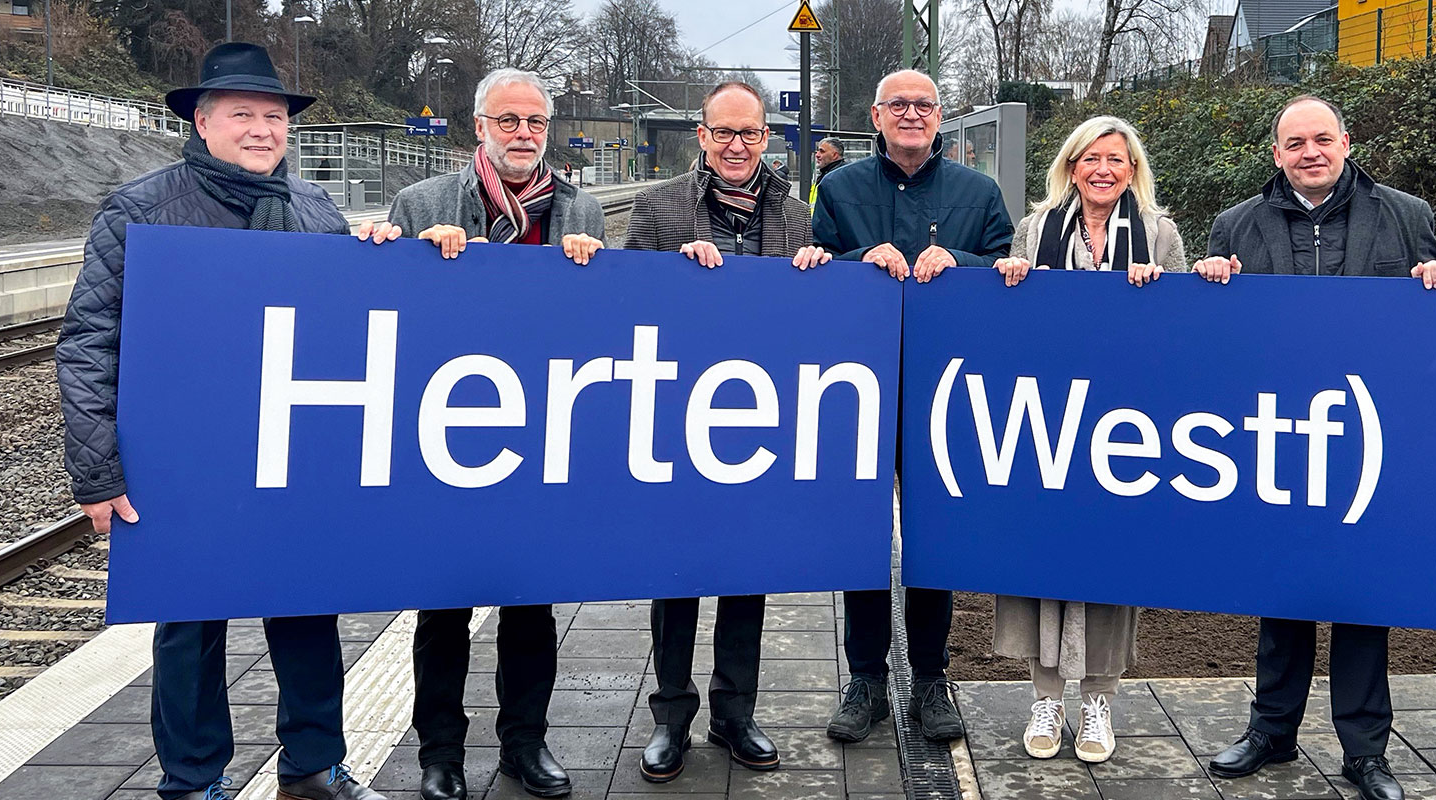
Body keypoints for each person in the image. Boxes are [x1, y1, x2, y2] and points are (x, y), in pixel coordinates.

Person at [55, 42, 387, 800]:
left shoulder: (316, 211)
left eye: (275, 116)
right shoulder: (141, 209)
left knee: (306, 603)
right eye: (243, 114)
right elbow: (87, 343)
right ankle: (194, 778)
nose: (263, 129)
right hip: (185, 457)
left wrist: (377, 253)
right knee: (189, 626)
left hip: (292, 446)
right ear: (202, 122)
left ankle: (314, 764)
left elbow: (348, 325)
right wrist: (98, 472)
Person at [1194, 95, 1436, 800]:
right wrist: (1208, 284)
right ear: (1276, 154)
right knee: (1280, 592)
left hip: (1370, 436)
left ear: (1346, 142)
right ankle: (1270, 732)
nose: (1310, 152)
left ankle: (1366, 750)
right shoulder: (1236, 225)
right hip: (1277, 437)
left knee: (1361, 598)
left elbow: (1433, 332)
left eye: (1322, 139)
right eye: (1295, 143)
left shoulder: (1407, 216)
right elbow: (1217, 342)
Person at [356, 68, 605, 800]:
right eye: (509, 121)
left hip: (538, 434)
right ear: (479, 127)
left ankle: (525, 744)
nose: (524, 134)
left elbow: (597, 327)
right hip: (450, 430)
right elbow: (386, 315)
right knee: (443, 608)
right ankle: (441, 754)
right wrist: (396, 253)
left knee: (532, 603)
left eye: (534, 122)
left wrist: (590, 276)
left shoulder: (580, 207)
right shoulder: (423, 201)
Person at [619, 80, 833, 783]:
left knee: (748, 574)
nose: (737, 145)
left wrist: (818, 274)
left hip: (758, 426)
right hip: (677, 422)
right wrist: (666, 281)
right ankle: (670, 719)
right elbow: (619, 314)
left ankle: (735, 713)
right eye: (724, 133)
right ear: (702, 137)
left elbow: (806, 327)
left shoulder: (794, 215)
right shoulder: (656, 210)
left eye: (750, 133)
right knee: (674, 576)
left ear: (766, 137)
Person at [813, 68, 1014, 745]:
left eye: (923, 104)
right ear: (875, 114)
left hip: (943, 390)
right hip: (860, 389)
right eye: (897, 103)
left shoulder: (978, 192)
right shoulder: (837, 190)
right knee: (860, 535)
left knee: (935, 535)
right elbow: (812, 267)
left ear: (939, 117)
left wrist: (955, 258)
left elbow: (1008, 271)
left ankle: (932, 677)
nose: (910, 114)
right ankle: (865, 678)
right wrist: (852, 262)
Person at [987, 115, 1185, 763]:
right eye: (1091, 158)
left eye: (1117, 160)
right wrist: (1010, 285)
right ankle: (1045, 696)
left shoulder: (1159, 234)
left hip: (1127, 430)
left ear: (1133, 170)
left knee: (1110, 561)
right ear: (1071, 166)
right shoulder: (1034, 229)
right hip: (1050, 423)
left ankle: (1098, 700)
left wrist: (1162, 297)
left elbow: (1186, 338)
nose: (1104, 169)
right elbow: (1012, 333)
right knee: (1044, 559)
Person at [808, 136, 846, 205]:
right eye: (817, 151)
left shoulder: (840, 177)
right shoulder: (826, 174)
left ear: (834, 155)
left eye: (822, 151)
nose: (817, 155)